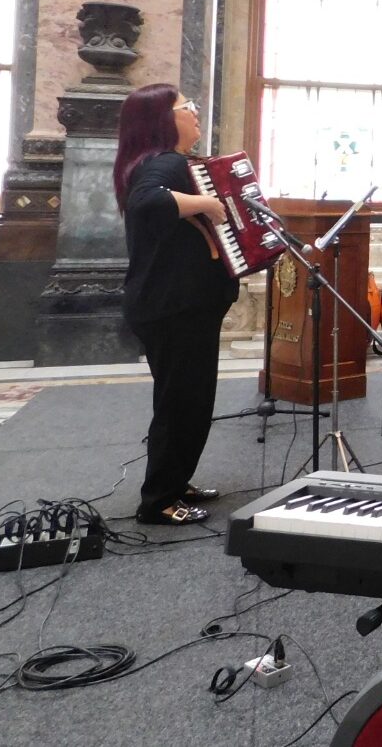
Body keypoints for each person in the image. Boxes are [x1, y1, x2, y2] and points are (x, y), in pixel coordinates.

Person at [114, 84, 238, 526]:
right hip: (174, 308)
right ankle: (159, 502)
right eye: (189, 108)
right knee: (181, 403)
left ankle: (174, 480)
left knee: (188, 400)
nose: (197, 114)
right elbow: (146, 201)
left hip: (176, 306)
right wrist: (206, 202)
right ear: (165, 120)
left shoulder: (163, 163)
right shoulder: (164, 162)